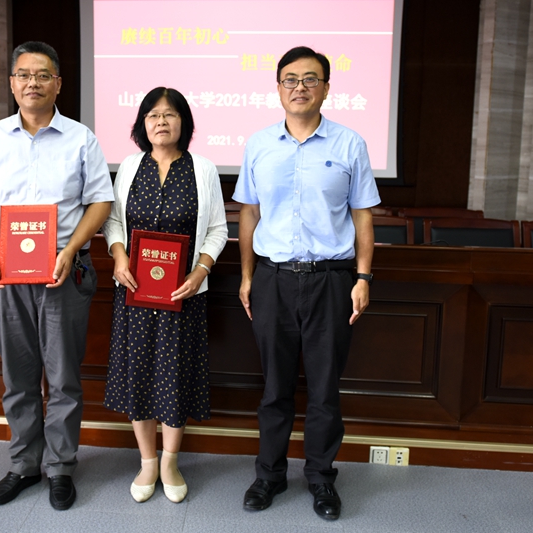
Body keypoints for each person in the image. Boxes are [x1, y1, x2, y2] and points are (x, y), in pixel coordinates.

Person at [0, 41, 114, 510]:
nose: (32, 83)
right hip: (7, 275)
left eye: (43, 75)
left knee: (62, 378)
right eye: (23, 75)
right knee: (18, 376)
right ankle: (24, 464)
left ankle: (60, 467)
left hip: (65, 271)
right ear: (11, 83)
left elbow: (100, 202)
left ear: (58, 83)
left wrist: (71, 248)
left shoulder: (81, 138)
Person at [232, 46, 380, 521]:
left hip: (331, 282)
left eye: (310, 79)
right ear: (278, 88)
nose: (300, 87)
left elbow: (363, 217)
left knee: (324, 389)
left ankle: (320, 478)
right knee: (274, 388)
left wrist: (362, 277)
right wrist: (248, 276)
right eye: (290, 79)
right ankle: (269, 476)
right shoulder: (259, 144)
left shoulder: (350, 144)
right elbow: (249, 213)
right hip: (272, 280)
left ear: (326, 88)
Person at [102, 87, 228, 503]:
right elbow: (113, 221)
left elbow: (217, 229)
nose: (161, 121)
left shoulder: (202, 168)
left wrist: (201, 270)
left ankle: (171, 461)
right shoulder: (129, 167)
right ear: (142, 123)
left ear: (183, 122)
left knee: (175, 376)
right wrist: (119, 256)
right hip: (135, 293)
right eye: (153, 115)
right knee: (138, 374)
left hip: (182, 294)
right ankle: (147, 461)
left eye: (170, 114)